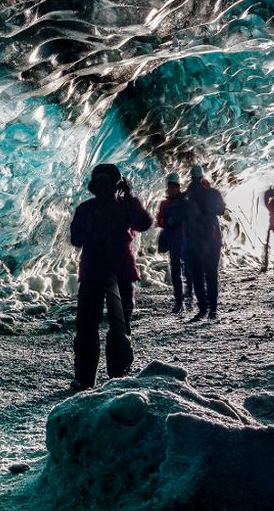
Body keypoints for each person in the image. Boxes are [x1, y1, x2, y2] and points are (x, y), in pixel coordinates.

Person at [68, 163, 151, 389]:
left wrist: (91, 233)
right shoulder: (125, 207)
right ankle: (118, 375)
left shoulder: (85, 209)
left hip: (94, 273)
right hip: (120, 273)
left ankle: (84, 379)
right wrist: (129, 196)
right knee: (120, 325)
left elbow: (75, 239)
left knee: (87, 326)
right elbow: (144, 222)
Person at [182, 165, 227, 320]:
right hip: (212, 239)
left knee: (197, 276)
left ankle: (202, 309)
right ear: (202, 177)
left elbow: (181, 215)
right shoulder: (212, 193)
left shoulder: (187, 196)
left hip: (194, 241)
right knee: (211, 274)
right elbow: (221, 210)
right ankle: (212, 309)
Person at [155, 175, 188, 314]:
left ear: (178, 187)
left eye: (174, 186)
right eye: (170, 186)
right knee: (175, 271)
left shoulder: (185, 201)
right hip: (173, 240)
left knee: (188, 270)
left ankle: (190, 297)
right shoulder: (164, 204)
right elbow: (159, 220)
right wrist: (166, 222)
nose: (171, 189)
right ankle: (179, 301)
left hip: (185, 240)